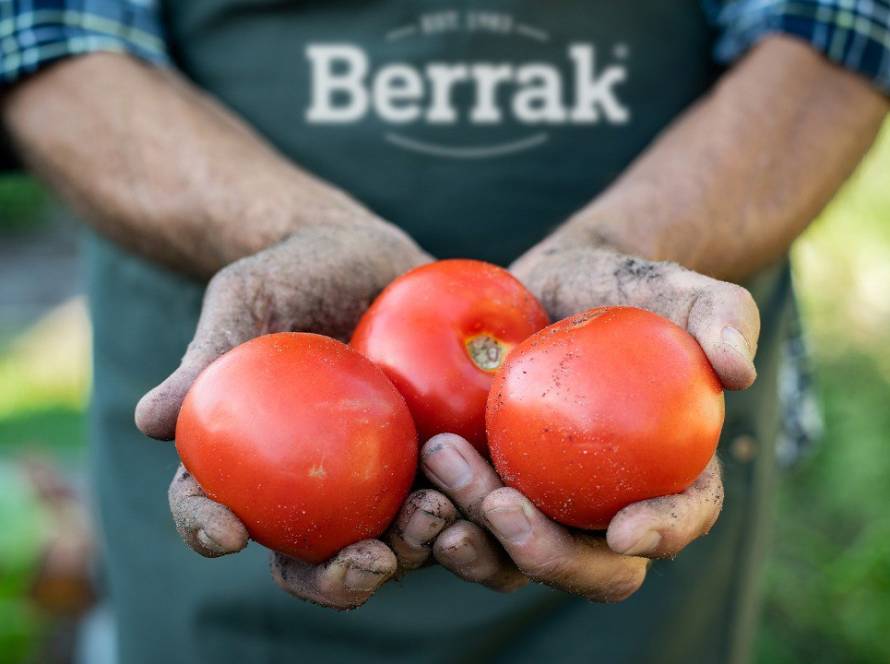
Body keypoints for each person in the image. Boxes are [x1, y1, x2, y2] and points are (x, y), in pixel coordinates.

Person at [2, 1, 887, 662]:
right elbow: (46, 37)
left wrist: (631, 250)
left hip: (653, 314)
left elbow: (837, 30)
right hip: (232, 348)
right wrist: (277, 231)